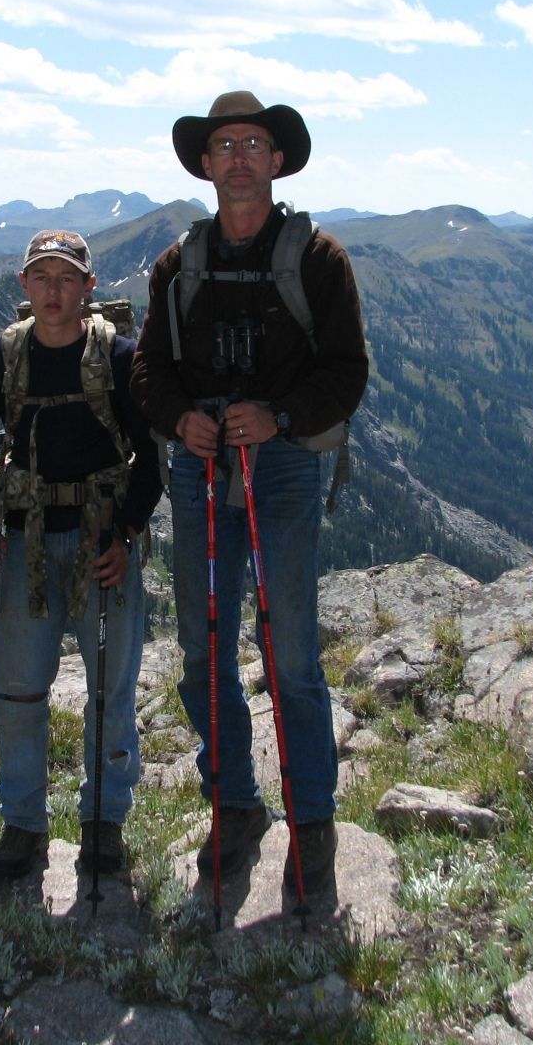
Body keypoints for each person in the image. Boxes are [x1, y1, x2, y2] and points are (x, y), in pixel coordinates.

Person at [130, 91, 369, 896]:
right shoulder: (177, 266)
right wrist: (176, 421)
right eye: (224, 144)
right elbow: (149, 371)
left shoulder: (319, 260)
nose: (237, 156)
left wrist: (281, 418)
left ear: (275, 161)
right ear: (205, 164)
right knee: (203, 652)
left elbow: (348, 374)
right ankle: (234, 805)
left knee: (290, 654)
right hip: (199, 470)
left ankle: (313, 822)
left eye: (253, 143)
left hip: (288, 465)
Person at [0, 229, 162, 880]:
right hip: (28, 543)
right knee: (19, 691)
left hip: (103, 543)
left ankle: (104, 818)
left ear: (88, 289)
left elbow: (151, 459)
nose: (53, 290)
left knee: (111, 691)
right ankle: (23, 822)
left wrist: (126, 534)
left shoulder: (120, 357)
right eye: (41, 277)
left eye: (66, 278)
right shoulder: (1, 358)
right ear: (24, 286)